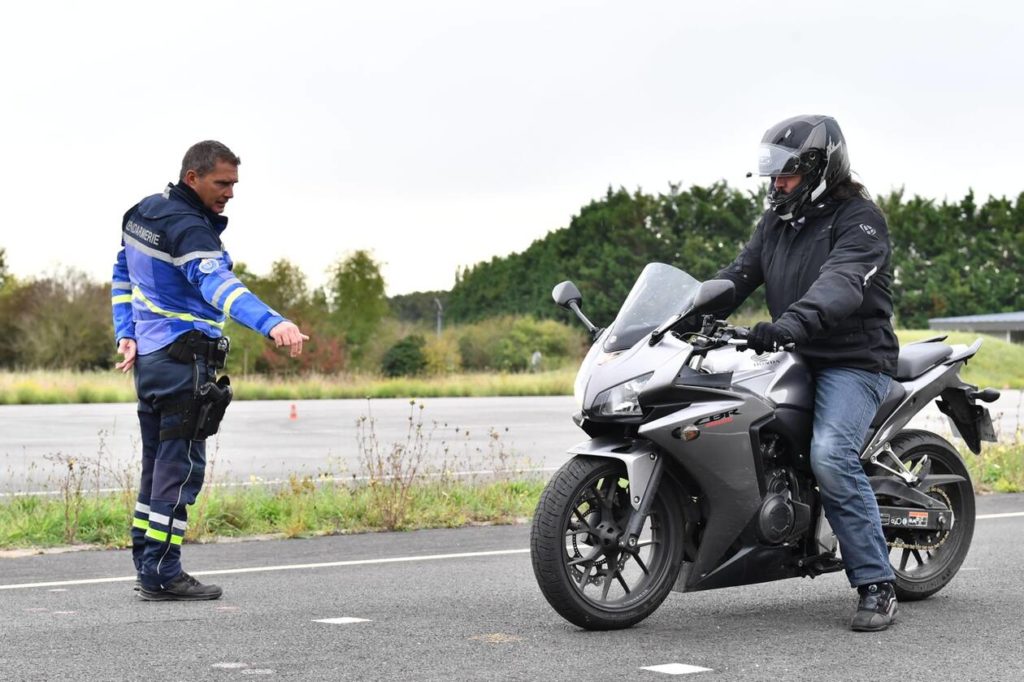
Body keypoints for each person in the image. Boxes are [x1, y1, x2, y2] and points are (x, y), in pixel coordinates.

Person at [714, 115, 900, 631]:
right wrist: (684, 313)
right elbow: (739, 275)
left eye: (788, 174)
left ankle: (877, 584)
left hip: (853, 359)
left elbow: (841, 285)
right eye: (773, 174)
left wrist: (787, 325)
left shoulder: (860, 220)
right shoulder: (776, 221)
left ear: (820, 167)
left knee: (829, 455)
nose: (778, 184)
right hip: (792, 353)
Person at [111, 140, 308, 601]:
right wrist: (272, 322)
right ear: (193, 177)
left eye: (234, 184)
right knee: (179, 470)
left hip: (152, 362)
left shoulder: (142, 212)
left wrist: (127, 331)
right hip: (184, 361)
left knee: (155, 465)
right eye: (222, 183)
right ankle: (163, 572)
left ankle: (147, 563)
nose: (230, 194)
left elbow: (122, 271)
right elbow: (218, 284)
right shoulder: (189, 230)